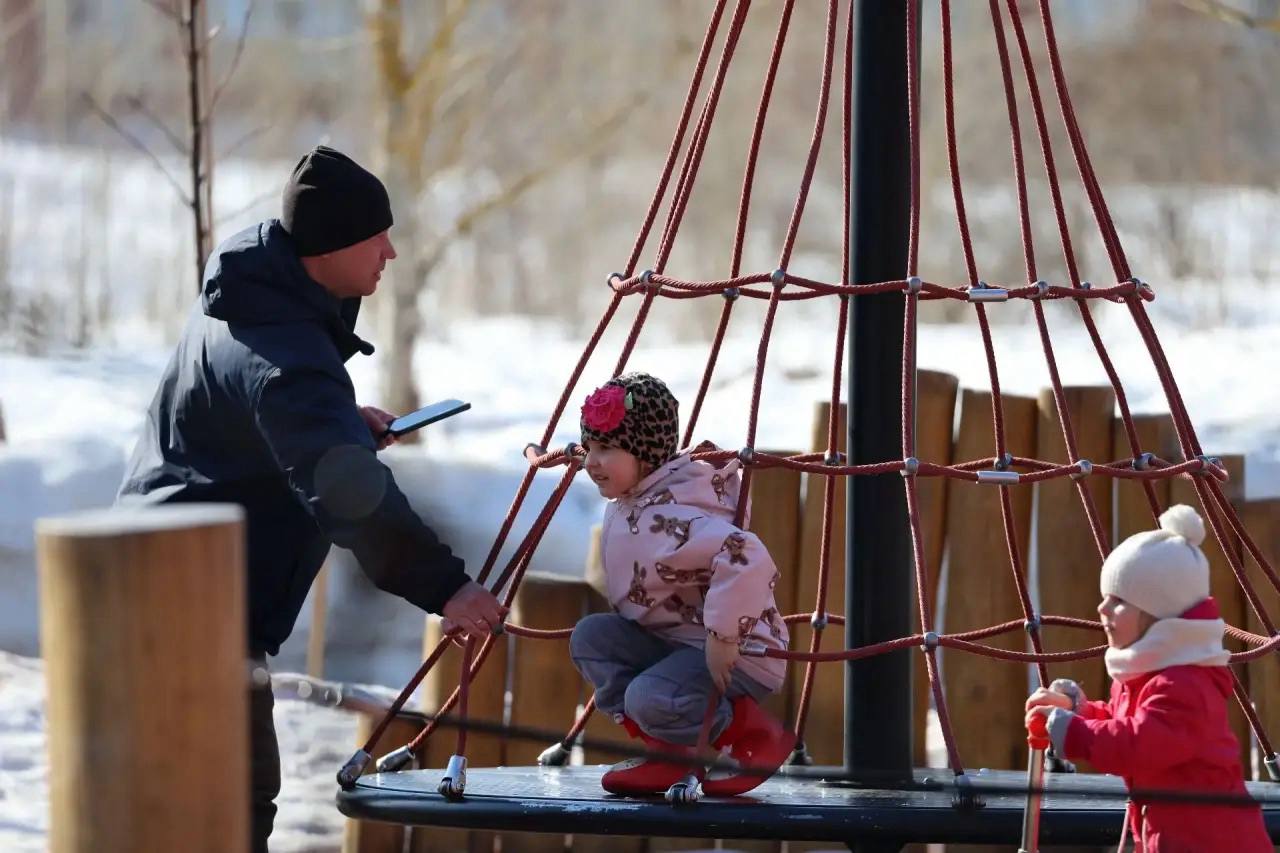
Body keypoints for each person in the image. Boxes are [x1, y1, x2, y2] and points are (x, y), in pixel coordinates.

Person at [117, 145, 505, 852]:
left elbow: (246, 409)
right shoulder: (289, 360)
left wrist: (338, 424)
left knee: (212, 801)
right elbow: (351, 496)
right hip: (190, 607)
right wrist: (447, 587)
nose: (390, 252)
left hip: (159, 581)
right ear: (330, 246)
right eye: (376, 236)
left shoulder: (252, 294)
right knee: (230, 804)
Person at [569, 372, 794, 797]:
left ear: (647, 454)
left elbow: (745, 554)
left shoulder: (668, 513)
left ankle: (751, 734)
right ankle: (669, 753)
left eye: (606, 449)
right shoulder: (635, 496)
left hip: (736, 654)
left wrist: (724, 637)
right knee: (592, 638)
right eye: (588, 447)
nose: (590, 462)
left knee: (646, 697)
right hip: (675, 641)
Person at [1024, 504, 1270, 852]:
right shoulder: (1146, 675)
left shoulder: (1185, 684)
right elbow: (1123, 722)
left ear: (1158, 615)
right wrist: (1081, 712)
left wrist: (1075, 732)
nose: (1102, 609)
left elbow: (1139, 743)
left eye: (1118, 601)